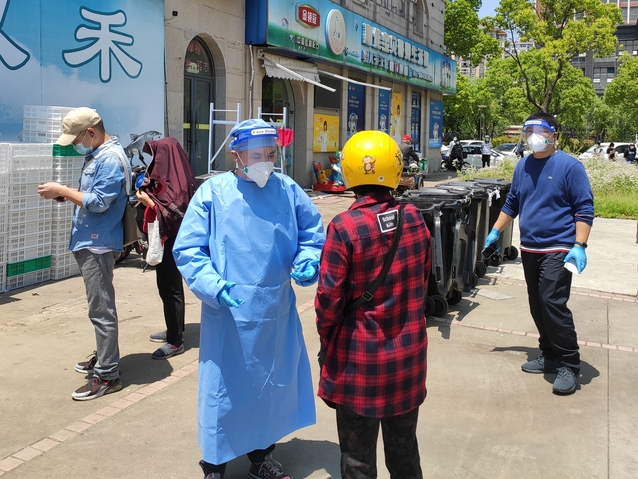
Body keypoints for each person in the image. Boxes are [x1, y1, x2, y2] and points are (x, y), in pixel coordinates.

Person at [172, 119, 325, 479]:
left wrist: (308, 260)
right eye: (257, 155)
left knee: (267, 389)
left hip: (274, 311)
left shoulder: (287, 189)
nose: (266, 162)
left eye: (271, 154)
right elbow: (189, 249)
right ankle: (214, 465)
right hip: (228, 314)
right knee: (224, 392)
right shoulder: (213, 193)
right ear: (236, 155)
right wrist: (213, 285)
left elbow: (312, 231)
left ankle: (262, 459)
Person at [315, 130, 431, 479]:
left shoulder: (344, 227)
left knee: (357, 460)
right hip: (408, 360)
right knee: (405, 453)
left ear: (349, 171)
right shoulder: (414, 218)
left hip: (359, 362)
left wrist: (326, 342)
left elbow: (328, 302)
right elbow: (423, 281)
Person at [483, 112, 594, 396]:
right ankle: (550, 354)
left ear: (553, 134)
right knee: (537, 304)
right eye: (528, 130)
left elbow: (584, 208)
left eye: (539, 130)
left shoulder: (570, 166)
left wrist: (579, 245)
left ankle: (569, 363)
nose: (533, 136)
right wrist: (495, 231)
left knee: (552, 302)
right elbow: (512, 203)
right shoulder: (523, 165)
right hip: (530, 248)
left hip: (559, 248)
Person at [37, 107, 130, 400]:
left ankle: (108, 375)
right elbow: (92, 198)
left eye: (76, 140)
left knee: (101, 310)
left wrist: (63, 189)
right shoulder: (100, 154)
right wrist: (66, 195)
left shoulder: (109, 159)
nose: (76, 145)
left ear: (91, 132)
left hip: (97, 243)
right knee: (100, 307)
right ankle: (104, 357)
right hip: (92, 240)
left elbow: (99, 202)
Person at [135, 137, 196, 359]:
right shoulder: (173, 177)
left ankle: (175, 341)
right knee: (169, 286)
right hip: (166, 238)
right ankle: (174, 329)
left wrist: (149, 202)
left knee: (170, 288)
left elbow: (175, 213)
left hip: (172, 239)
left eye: (156, 155)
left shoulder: (178, 184)